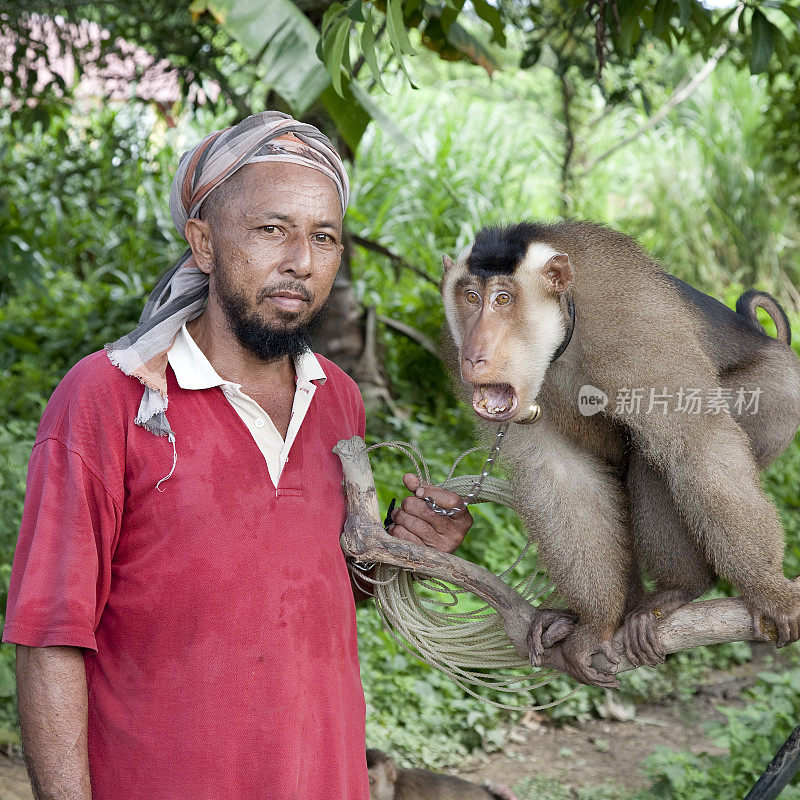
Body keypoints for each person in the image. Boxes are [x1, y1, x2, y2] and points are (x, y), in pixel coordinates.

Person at [3, 111, 473, 800]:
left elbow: (312, 591)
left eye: (324, 236)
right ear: (204, 243)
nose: (302, 261)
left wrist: (402, 547)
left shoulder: (337, 400)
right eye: (271, 229)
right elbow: (49, 637)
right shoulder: (111, 398)